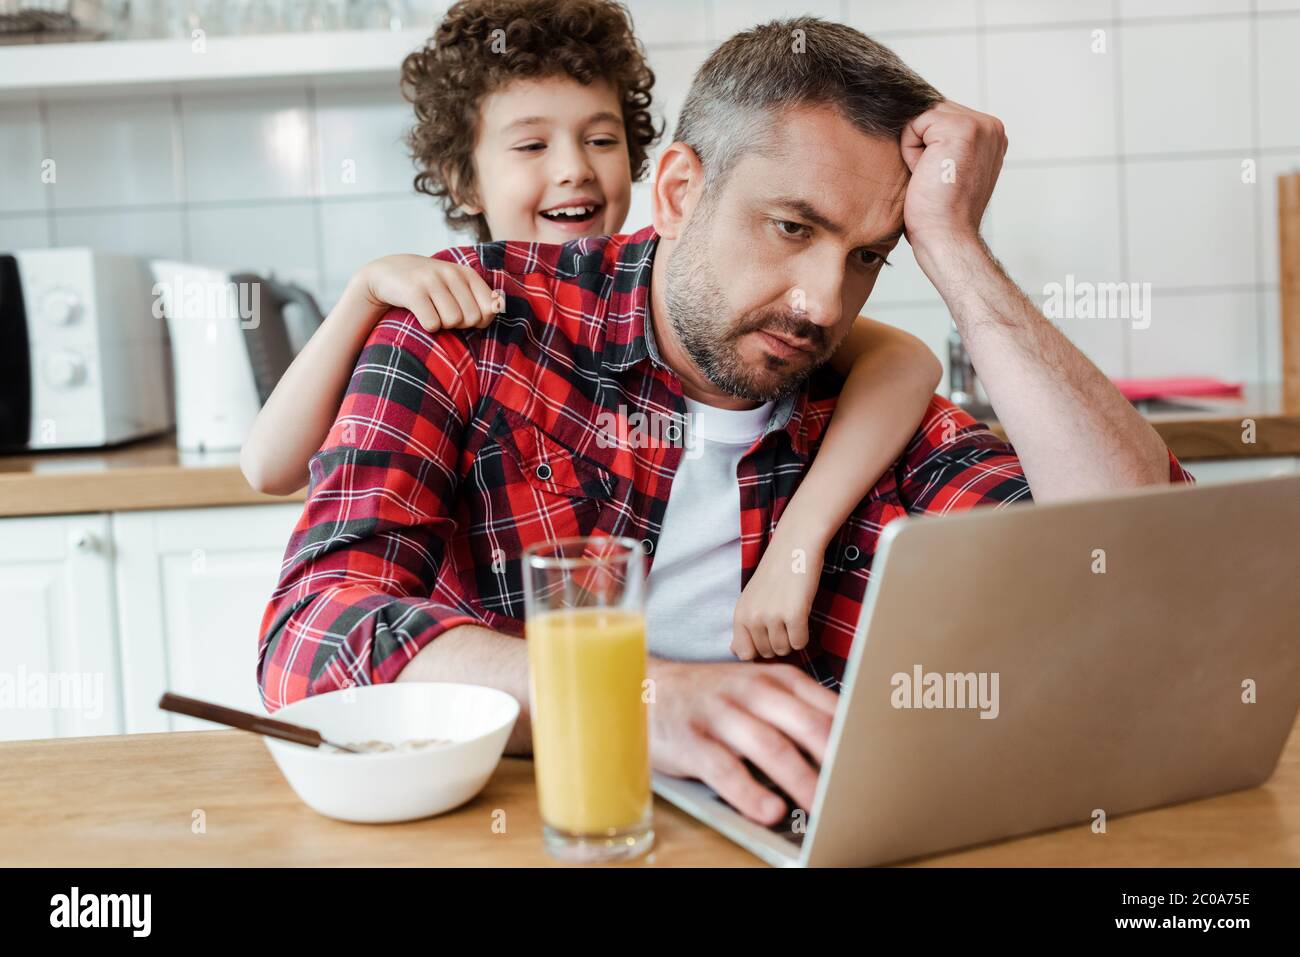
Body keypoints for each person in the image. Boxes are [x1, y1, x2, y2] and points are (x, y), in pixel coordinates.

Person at [257, 16, 1194, 827]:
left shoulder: (863, 394)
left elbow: (1139, 570)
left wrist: (954, 246)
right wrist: (637, 698)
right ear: (675, 192)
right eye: (792, 227)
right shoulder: (467, 333)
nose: (825, 303)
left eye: (869, 255)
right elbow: (312, 630)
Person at [240, 0, 943, 663]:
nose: (574, 167)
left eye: (600, 138)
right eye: (532, 144)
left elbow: (903, 359)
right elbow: (271, 469)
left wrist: (801, 535)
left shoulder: (702, 291)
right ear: (464, 180)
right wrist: (364, 293)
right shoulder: (442, 304)